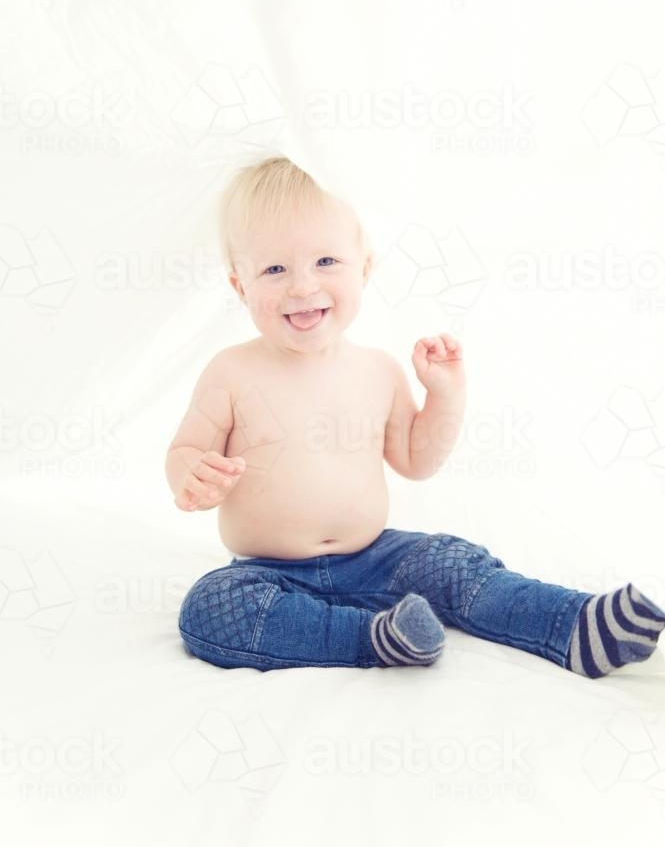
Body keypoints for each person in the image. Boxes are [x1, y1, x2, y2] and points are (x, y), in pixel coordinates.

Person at [166, 156, 665, 677]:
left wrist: (445, 397)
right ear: (239, 285)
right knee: (210, 608)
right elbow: (184, 450)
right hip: (269, 575)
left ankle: (569, 624)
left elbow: (415, 460)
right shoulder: (231, 372)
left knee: (449, 561)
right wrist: (193, 476)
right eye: (274, 269)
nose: (301, 286)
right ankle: (375, 638)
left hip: (378, 557)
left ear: (365, 266)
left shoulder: (378, 371)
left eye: (327, 262)